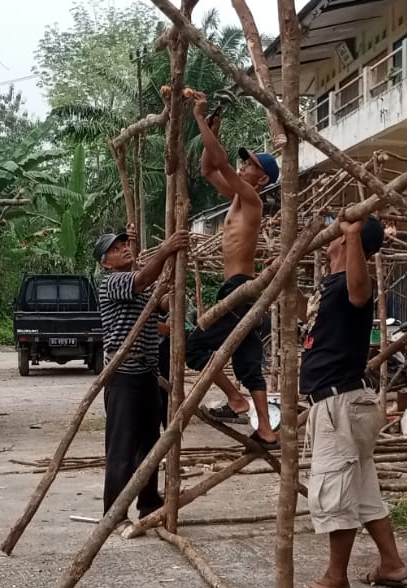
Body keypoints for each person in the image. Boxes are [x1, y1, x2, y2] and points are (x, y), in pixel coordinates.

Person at [294, 215, 407, 588]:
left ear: (348, 243)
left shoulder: (351, 283)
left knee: (334, 490)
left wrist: (354, 233)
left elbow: (361, 293)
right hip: (339, 402)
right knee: (361, 489)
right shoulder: (330, 286)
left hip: (339, 402)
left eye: (337, 233)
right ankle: (391, 562)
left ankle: (334, 578)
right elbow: (307, 321)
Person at [182, 91, 280, 449]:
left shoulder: (252, 198)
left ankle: (237, 400)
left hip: (238, 286)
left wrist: (198, 120)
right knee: (248, 360)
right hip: (242, 288)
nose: (243, 167)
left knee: (194, 349)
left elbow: (220, 162)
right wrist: (213, 130)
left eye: (251, 165)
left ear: (262, 179)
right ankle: (266, 429)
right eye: (245, 163)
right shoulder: (239, 197)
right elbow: (209, 168)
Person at [94, 225, 190, 524]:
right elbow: (144, 278)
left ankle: (148, 503)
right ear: (104, 263)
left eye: (125, 244)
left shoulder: (137, 284)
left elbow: (159, 298)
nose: (123, 248)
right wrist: (167, 249)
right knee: (122, 446)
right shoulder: (112, 282)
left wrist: (172, 287)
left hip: (147, 372)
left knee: (150, 442)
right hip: (123, 374)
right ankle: (114, 511)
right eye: (115, 248)